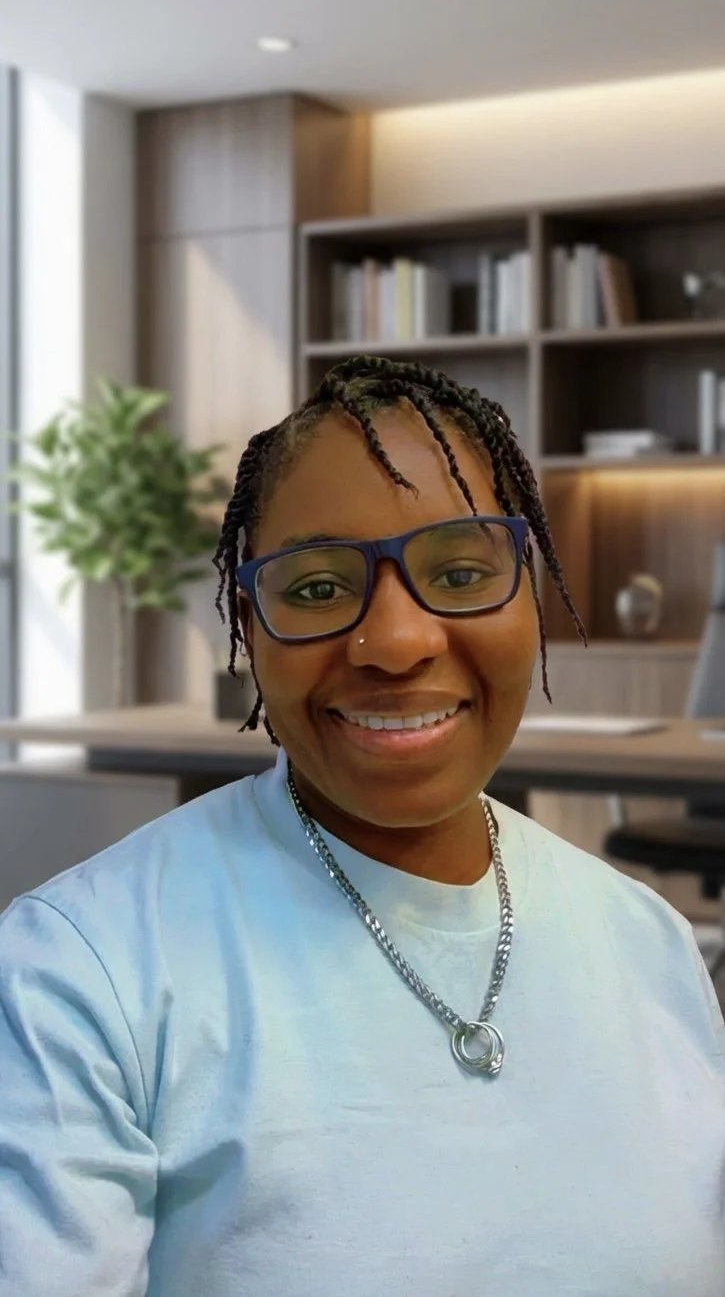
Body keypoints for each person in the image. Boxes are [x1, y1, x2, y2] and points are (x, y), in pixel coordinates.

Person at [0, 355, 723, 1296]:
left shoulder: (649, 945)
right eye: (313, 589)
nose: (395, 642)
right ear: (246, 626)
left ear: (530, 596)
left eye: (461, 572)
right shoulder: (79, 978)